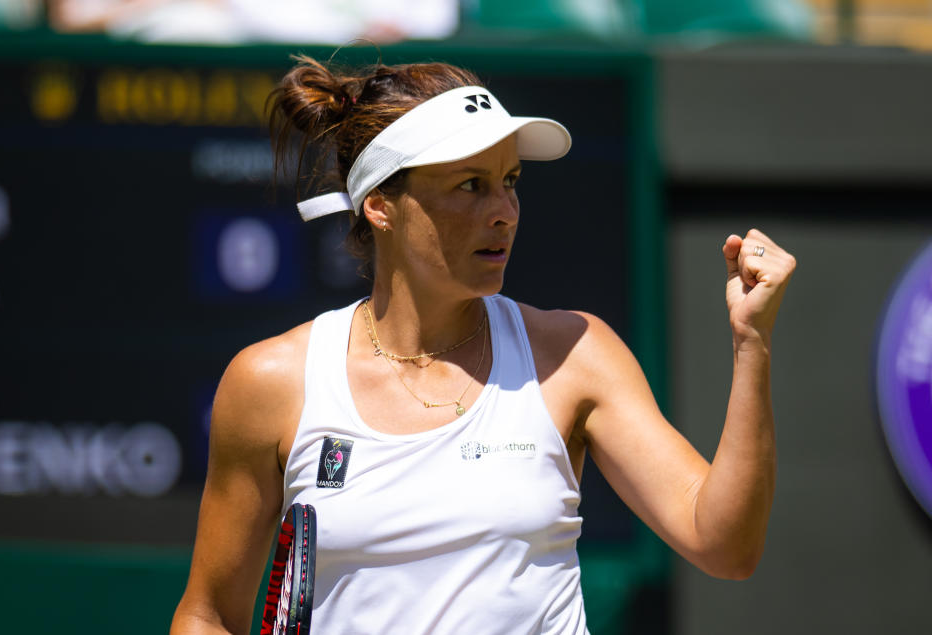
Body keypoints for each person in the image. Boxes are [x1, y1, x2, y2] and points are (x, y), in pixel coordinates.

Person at [170, 56, 796, 634]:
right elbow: (207, 616)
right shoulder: (272, 381)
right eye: (470, 185)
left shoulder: (576, 353)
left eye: (511, 181)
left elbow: (725, 546)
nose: (505, 211)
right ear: (382, 205)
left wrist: (751, 343)